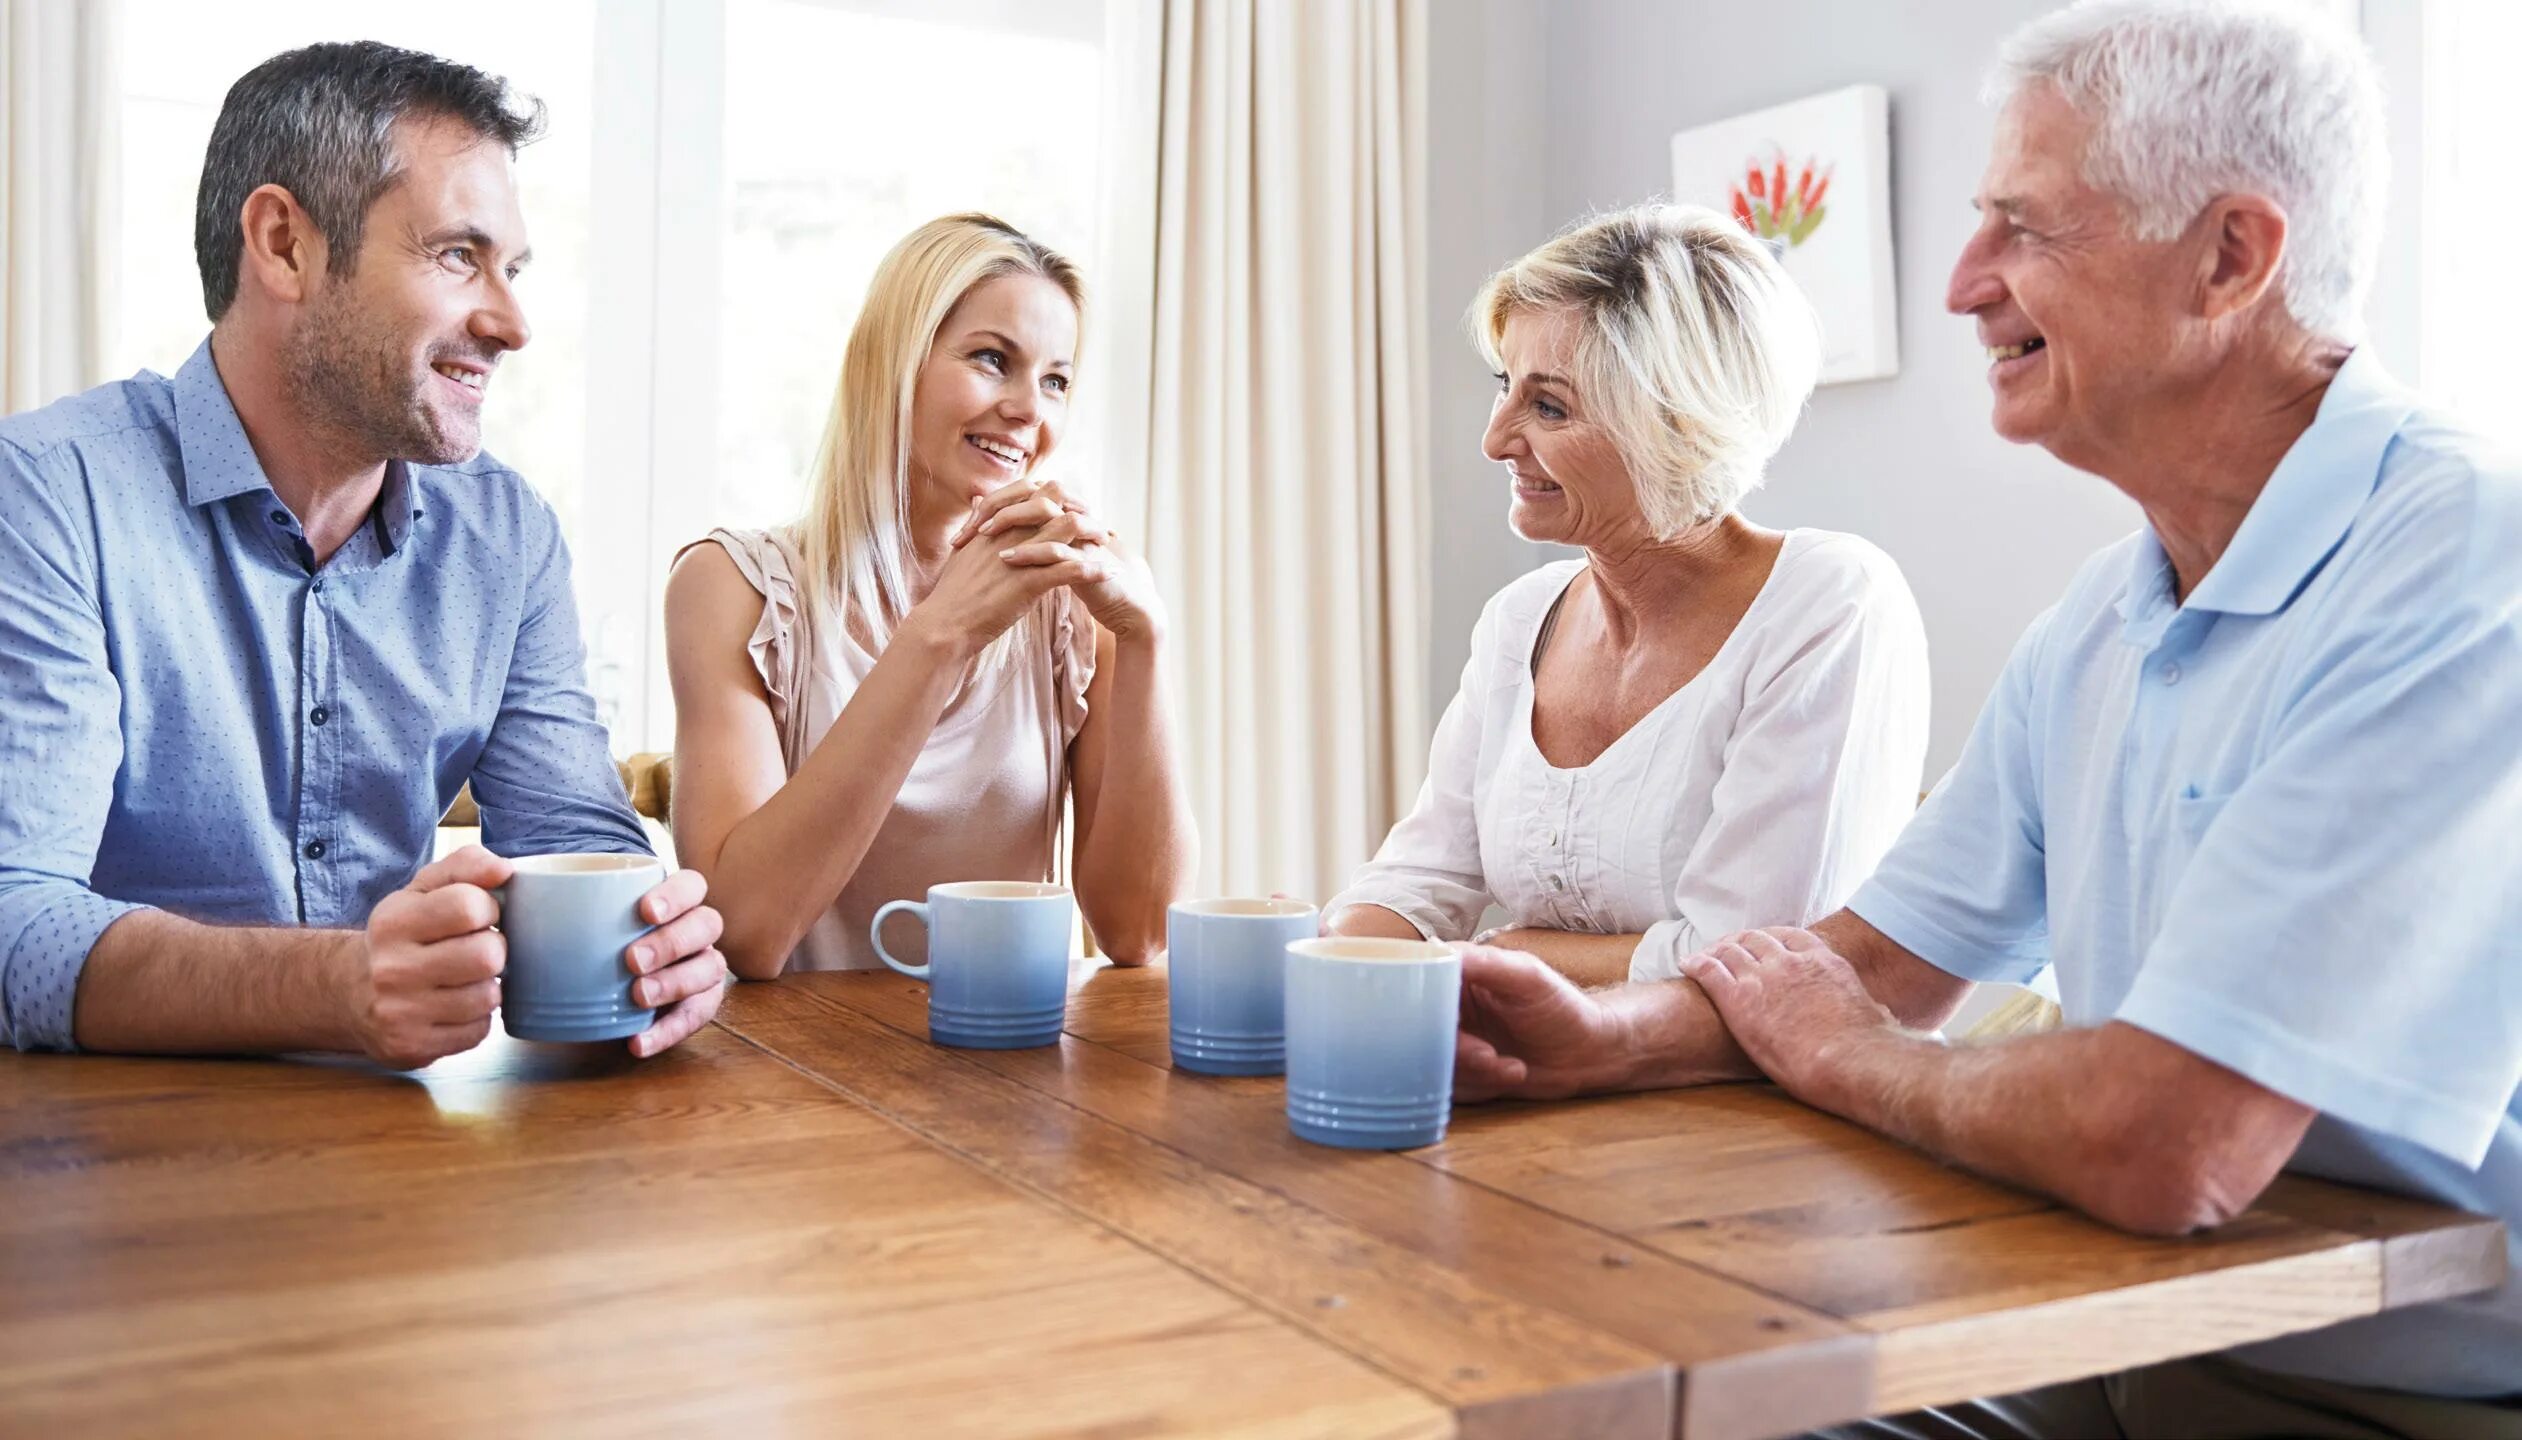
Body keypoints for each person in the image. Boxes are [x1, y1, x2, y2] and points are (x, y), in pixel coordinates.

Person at [1448, 3, 2522, 1430]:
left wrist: (1862, 1060)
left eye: (2022, 228)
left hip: (2407, 1385)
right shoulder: (2104, 613)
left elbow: (2165, 1141)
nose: (1965, 283)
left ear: (2229, 258)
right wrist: (1601, 1036)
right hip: (2124, 1330)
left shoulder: (2459, 567)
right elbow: (1865, 963)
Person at [0, 43, 725, 1064]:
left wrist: (657, 944)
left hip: (404, 1159)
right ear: (285, 244)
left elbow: (574, 839)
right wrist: (335, 984)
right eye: (457, 256)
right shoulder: (45, 494)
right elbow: (12, 921)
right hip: (103, 1173)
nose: (512, 323)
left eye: (511, 269)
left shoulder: (505, 537)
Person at [1322, 204, 1929, 987]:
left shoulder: (1829, 603)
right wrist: (1333, 950)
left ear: (1675, 426)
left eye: (1548, 407)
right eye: (1504, 388)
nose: (1496, 439)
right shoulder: (1521, 620)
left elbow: (1750, 960)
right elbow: (1419, 882)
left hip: (1754, 1105)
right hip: (1545, 1087)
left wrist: (1509, 955)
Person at [664, 214, 1194, 978]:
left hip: (1008, 1068)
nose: (1029, 410)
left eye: (1055, 380)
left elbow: (1138, 933)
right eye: (991, 359)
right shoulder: (734, 588)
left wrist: (1146, 643)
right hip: (789, 1083)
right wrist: (940, 635)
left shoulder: (1072, 606)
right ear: (892, 362)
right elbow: (745, 932)